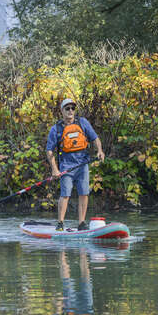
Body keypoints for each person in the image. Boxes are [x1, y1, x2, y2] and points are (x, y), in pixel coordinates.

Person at [46, 98, 105, 231]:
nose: (70, 111)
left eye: (73, 108)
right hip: (66, 167)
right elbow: (49, 151)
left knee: (84, 193)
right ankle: (60, 223)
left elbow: (95, 138)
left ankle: (81, 223)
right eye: (67, 108)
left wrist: (100, 151)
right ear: (62, 111)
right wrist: (55, 169)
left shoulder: (83, 123)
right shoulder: (55, 129)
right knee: (65, 194)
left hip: (83, 165)